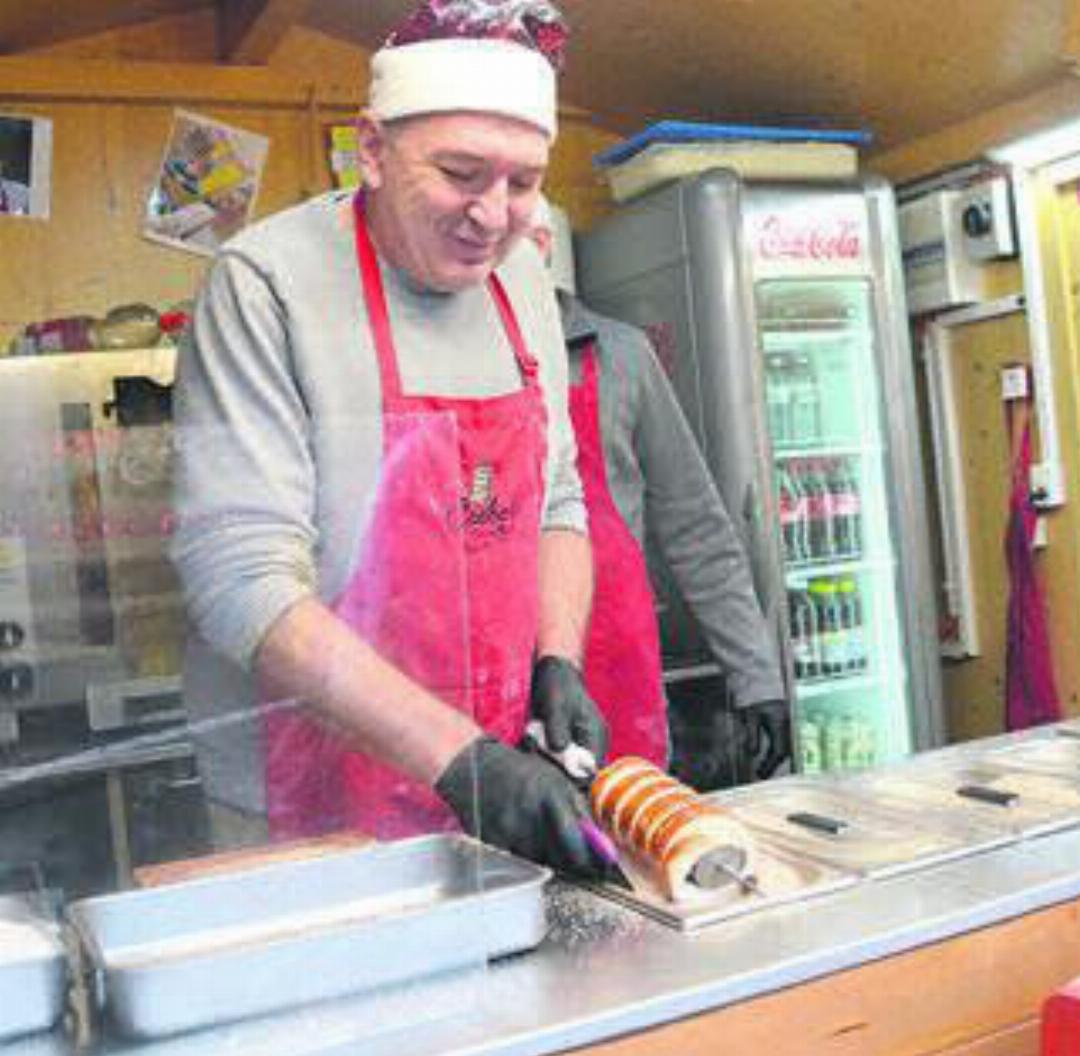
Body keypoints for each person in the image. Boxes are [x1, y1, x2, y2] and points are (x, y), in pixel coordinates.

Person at [170, 0, 612, 878]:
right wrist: (463, 761)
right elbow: (239, 583)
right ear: (371, 150)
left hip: (490, 766)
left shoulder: (521, 278)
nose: (493, 216)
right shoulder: (266, 285)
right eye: (460, 173)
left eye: (523, 184)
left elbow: (558, 497)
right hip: (308, 779)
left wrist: (556, 658)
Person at [530, 198, 791, 780]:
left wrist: (756, 679)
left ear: (542, 249)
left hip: (617, 662)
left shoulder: (624, 355)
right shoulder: (463, 366)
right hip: (507, 674)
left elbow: (694, 523)